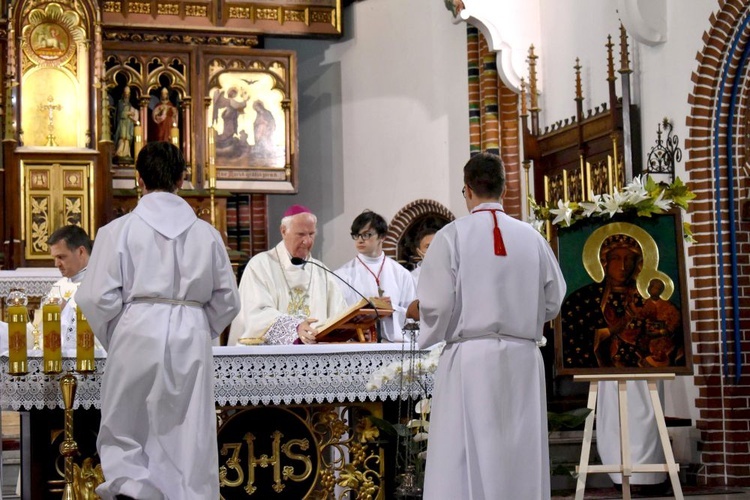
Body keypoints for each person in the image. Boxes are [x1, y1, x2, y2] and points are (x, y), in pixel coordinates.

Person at [76, 141, 240, 499]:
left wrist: (123, 330)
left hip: (135, 329)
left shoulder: (117, 231)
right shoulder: (207, 235)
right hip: (192, 332)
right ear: (182, 179)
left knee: (128, 421)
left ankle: (133, 491)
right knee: (188, 426)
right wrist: (197, 326)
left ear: (139, 179)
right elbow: (228, 299)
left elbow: (93, 296)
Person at [409, 152, 566, 499]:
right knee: (519, 451)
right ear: (505, 188)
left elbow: (438, 303)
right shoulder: (532, 237)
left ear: (466, 190)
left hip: (470, 357)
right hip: (523, 357)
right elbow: (554, 299)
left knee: (463, 456)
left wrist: (428, 325)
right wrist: (521, 315)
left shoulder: (451, 236)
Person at [228, 205, 348, 345]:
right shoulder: (260, 266)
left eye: (311, 234)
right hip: (272, 359)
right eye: (301, 234)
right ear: (283, 231)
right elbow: (256, 314)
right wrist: (295, 328)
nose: (307, 241)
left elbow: (339, 314)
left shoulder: (321, 271)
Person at [335, 210, 416, 342]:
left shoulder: (401, 274)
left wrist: (392, 310)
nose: (360, 240)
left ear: (382, 236)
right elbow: (337, 316)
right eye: (356, 235)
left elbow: (414, 316)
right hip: (358, 347)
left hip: (393, 349)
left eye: (367, 235)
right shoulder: (342, 275)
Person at [114, 87, 138, 162]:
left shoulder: (130, 104)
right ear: (123, 94)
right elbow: (120, 114)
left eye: (128, 94)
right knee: (122, 137)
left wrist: (133, 114)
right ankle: (119, 153)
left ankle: (127, 153)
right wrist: (128, 113)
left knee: (127, 138)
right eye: (126, 94)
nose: (127, 95)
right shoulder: (120, 103)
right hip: (122, 123)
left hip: (128, 123)